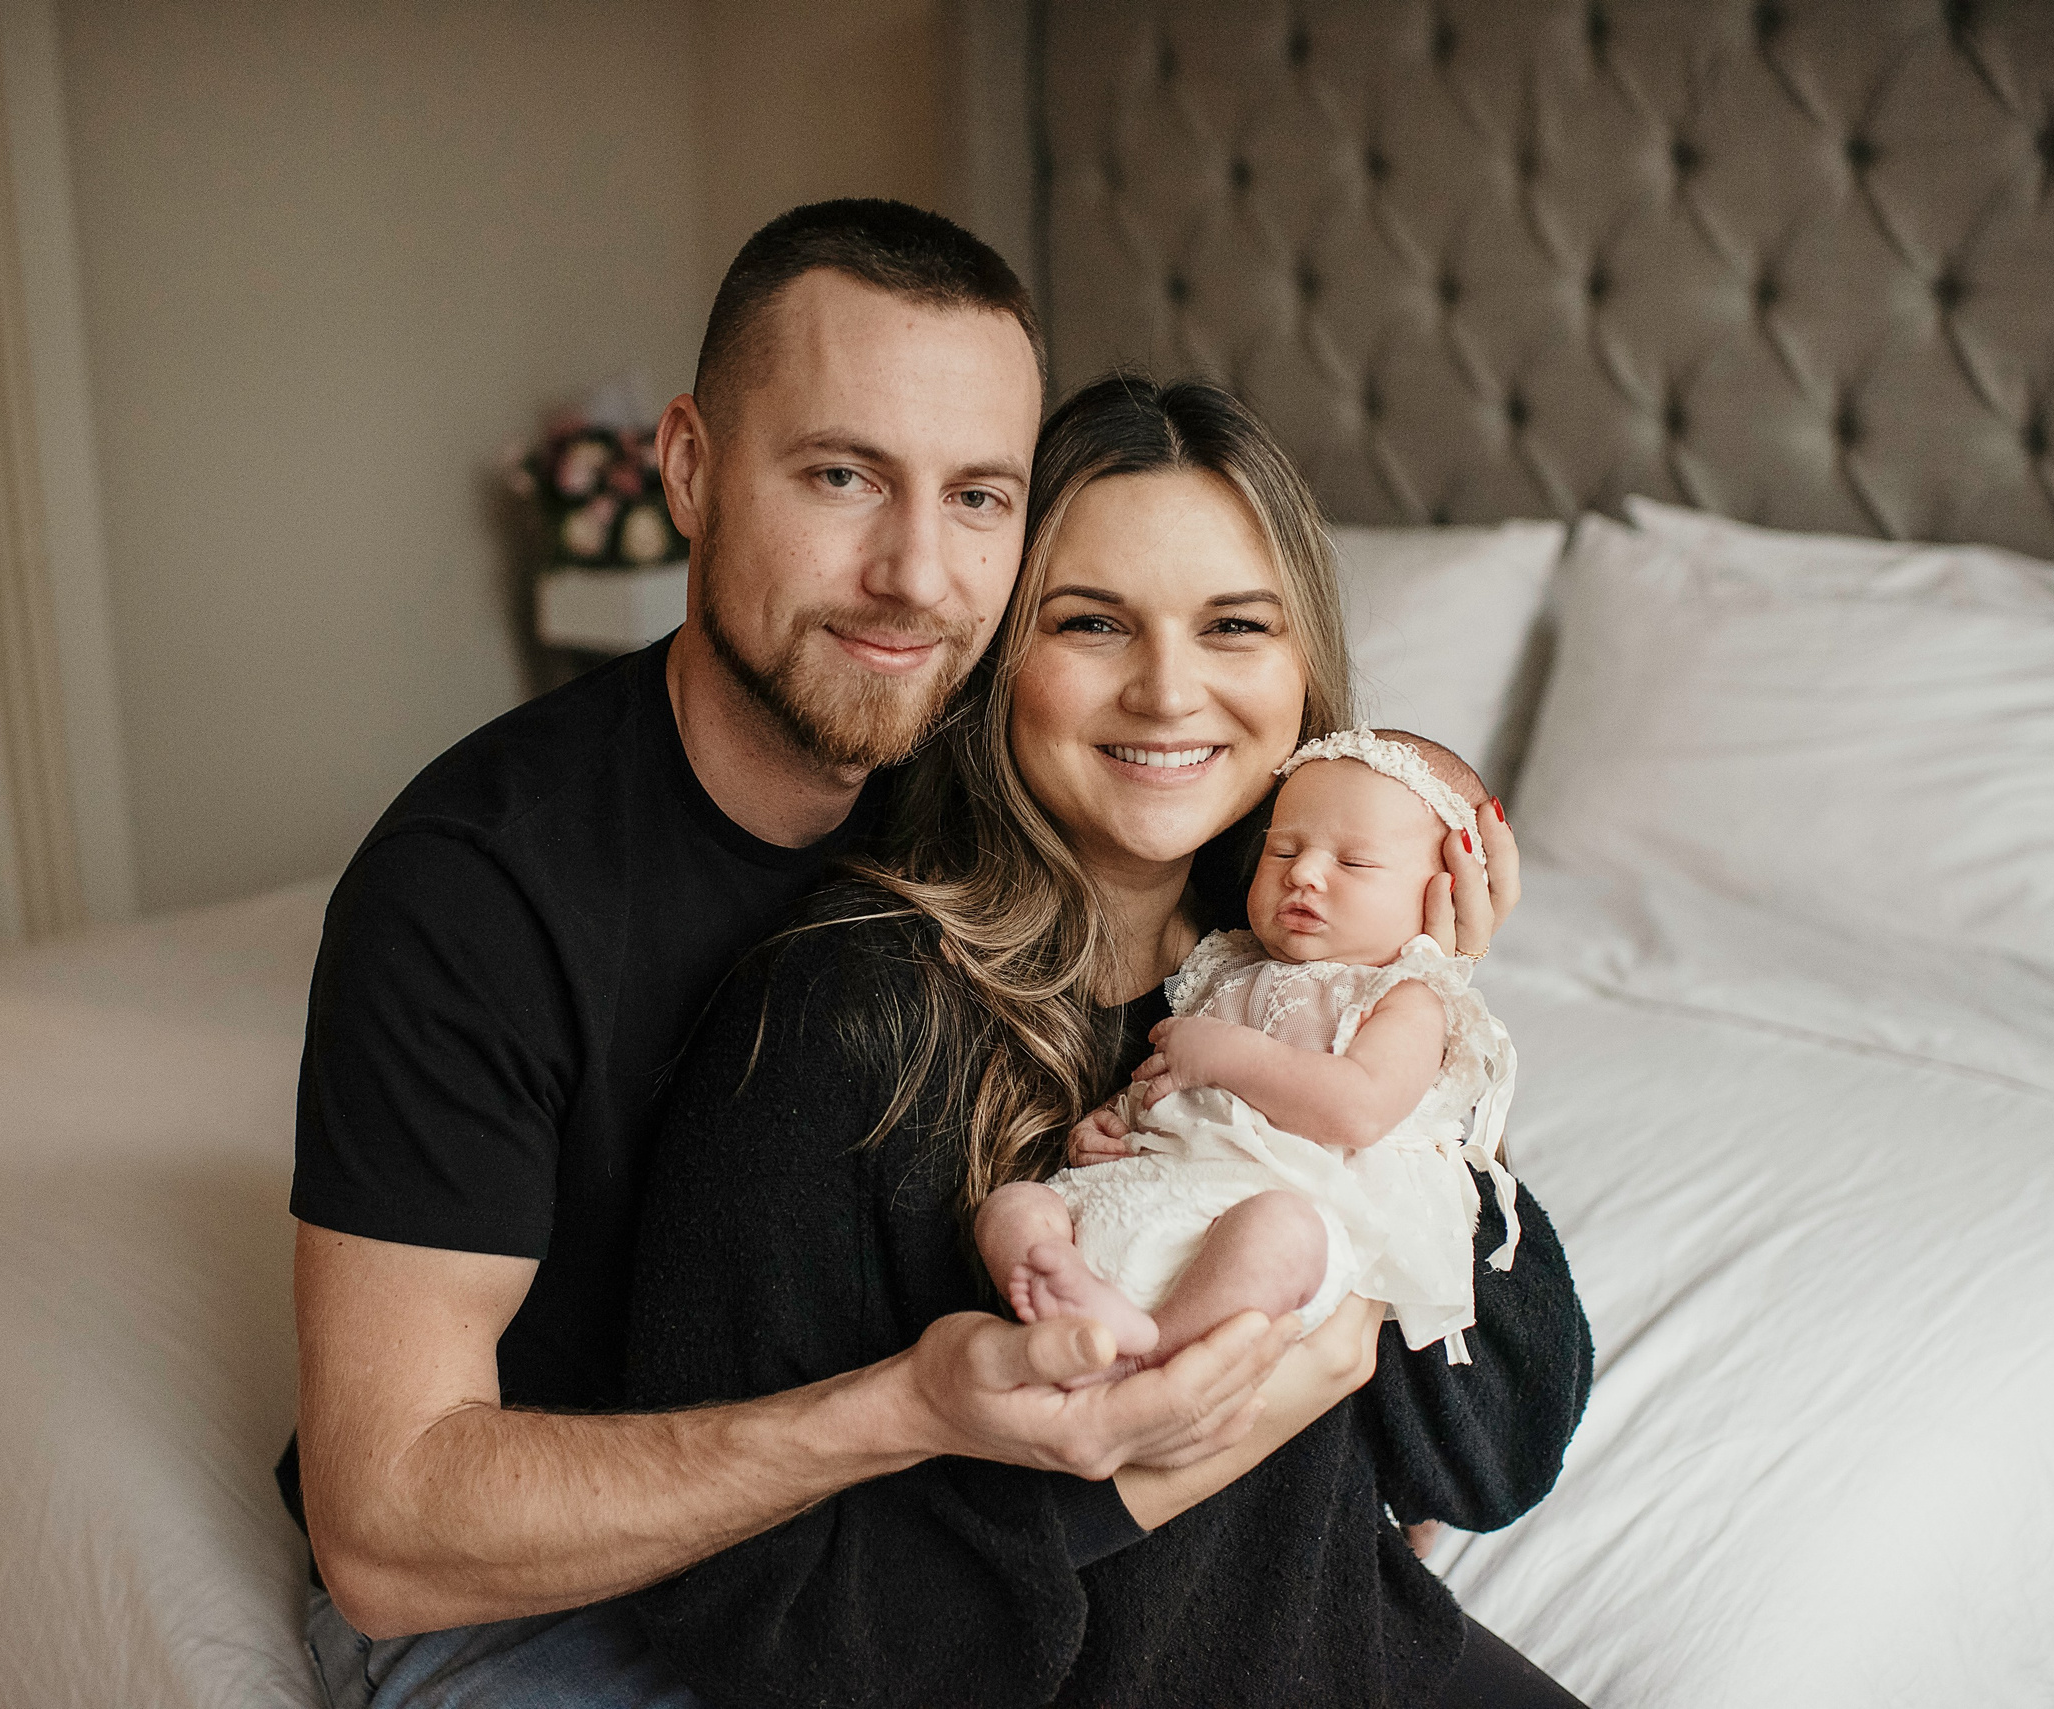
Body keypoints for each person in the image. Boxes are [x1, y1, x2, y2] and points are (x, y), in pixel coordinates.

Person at [283, 202, 1519, 1707]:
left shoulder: (1113, 852)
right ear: (689, 467)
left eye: (982, 497)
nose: (915, 575)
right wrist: (914, 1407)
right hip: (541, 1559)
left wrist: (1415, 1020)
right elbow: (393, 1531)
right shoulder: (486, 892)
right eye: (842, 475)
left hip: (886, 1558)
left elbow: (1472, 1420)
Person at [628, 376, 1592, 1707]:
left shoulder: (1288, 986)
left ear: (1303, 667)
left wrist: (1416, 1023)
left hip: (1344, 1646)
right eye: (1089, 622)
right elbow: (751, 1613)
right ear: (993, 654)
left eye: (1234, 626)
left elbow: (1490, 1454)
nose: (1168, 690)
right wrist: (1132, 1470)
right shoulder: (849, 1010)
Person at [978, 727, 1522, 1383]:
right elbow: (1166, 1073)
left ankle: (1146, 1355)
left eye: (1354, 863)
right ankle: (1064, 1296)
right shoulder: (1226, 965)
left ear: (1443, 892)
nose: (1304, 872)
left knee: (1284, 1232)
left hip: (1258, 1218)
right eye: (1283, 848)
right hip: (1148, 1191)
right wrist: (1113, 1117)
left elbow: (1361, 1108)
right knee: (1012, 1208)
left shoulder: (1409, 998)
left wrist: (1225, 1056)